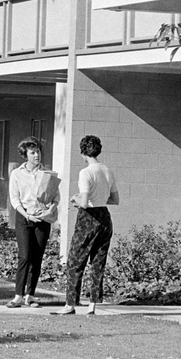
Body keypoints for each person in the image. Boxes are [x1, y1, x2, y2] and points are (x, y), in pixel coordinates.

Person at [53, 135, 119, 316]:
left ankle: (70, 304)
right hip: (104, 216)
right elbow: (115, 199)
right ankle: (93, 305)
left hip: (88, 218)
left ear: (83, 152)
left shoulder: (85, 172)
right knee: (98, 261)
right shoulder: (107, 171)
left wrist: (75, 199)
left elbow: (83, 202)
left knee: (76, 259)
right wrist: (97, 199)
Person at [7, 136, 59, 308]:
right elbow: (15, 200)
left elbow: (55, 197)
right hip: (24, 217)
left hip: (42, 218)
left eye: (38, 152)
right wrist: (27, 215)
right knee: (25, 256)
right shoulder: (17, 173)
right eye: (33, 152)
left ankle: (30, 295)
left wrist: (50, 209)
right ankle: (18, 295)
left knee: (37, 258)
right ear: (26, 154)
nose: (37, 155)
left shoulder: (47, 173)